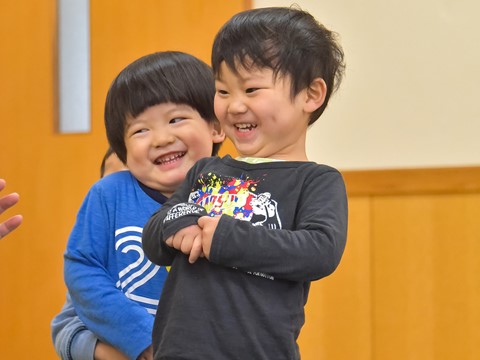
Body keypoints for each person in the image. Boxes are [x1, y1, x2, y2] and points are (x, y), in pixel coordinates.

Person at [142, 7, 348, 360]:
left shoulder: (317, 181)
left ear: (311, 95)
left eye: (251, 89)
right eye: (222, 91)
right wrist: (179, 223)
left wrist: (222, 237)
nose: (234, 106)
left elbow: (320, 251)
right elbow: (155, 235)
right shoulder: (206, 170)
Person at [51, 51, 224, 360]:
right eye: (140, 130)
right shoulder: (108, 194)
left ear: (216, 126)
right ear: (124, 150)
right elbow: (82, 268)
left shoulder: (239, 192)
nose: (160, 138)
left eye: (176, 119)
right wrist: (144, 339)